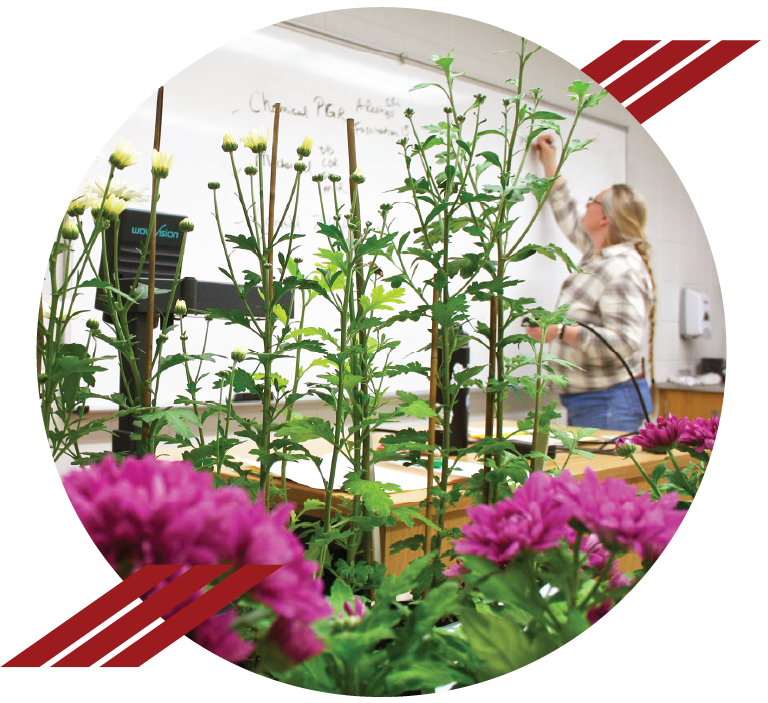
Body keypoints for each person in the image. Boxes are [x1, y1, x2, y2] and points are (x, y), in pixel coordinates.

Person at [528, 135, 655, 432]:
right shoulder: (597, 256)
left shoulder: (622, 269)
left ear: (605, 218)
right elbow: (568, 214)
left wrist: (560, 331)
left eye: (593, 202)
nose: (586, 205)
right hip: (594, 400)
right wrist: (550, 163)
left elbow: (622, 342)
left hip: (609, 401)